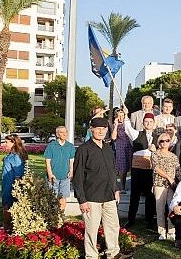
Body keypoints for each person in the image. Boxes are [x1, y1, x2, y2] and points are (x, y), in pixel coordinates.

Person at [72, 117, 124, 259]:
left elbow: (112, 171)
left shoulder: (108, 148)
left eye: (104, 129)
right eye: (98, 128)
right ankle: (91, 256)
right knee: (91, 230)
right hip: (91, 198)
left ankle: (113, 253)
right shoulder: (83, 149)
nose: (101, 131)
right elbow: (77, 177)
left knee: (113, 226)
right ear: (92, 129)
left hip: (109, 196)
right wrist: (82, 200)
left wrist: (116, 188)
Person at [122, 108, 158, 229]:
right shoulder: (137, 134)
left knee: (150, 195)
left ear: (154, 124)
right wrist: (126, 115)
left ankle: (150, 220)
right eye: (146, 122)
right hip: (138, 170)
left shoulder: (158, 137)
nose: (148, 124)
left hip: (151, 170)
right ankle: (130, 219)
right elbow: (127, 128)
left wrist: (155, 150)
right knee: (135, 195)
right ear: (143, 123)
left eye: (150, 122)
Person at [151, 133, 181, 240]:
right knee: (160, 209)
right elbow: (156, 168)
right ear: (159, 143)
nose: (164, 143)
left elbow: (178, 171)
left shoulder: (173, 156)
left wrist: (179, 184)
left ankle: (171, 231)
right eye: (162, 141)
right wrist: (169, 177)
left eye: (167, 140)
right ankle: (162, 232)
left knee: (172, 207)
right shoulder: (155, 154)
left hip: (171, 186)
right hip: (159, 184)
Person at [44, 126, 75, 211]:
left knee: (63, 197)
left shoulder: (70, 146)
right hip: (54, 176)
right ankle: (53, 214)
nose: (64, 134)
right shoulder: (51, 146)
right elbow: (47, 161)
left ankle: (61, 215)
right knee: (53, 197)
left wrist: (71, 171)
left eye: (65, 132)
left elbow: (71, 161)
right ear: (57, 134)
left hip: (65, 176)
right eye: (62, 132)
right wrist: (50, 174)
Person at [1, 134, 27, 232]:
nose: (5, 144)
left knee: (7, 204)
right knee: (7, 204)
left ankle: (7, 227)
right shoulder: (11, 155)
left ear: (13, 143)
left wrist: (16, 189)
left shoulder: (16, 156)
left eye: (7, 142)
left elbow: (18, 174)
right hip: (6, 182)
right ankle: (8, 226)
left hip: (10, 184)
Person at [110, 109, 132, 193]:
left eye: (122, 115)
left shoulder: (129, 123)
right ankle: (122, 187)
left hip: (129, 146)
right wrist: (115, 125)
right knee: (122, 168)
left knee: (130, 166)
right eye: (119, 115)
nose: (120, 117)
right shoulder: (115, 125)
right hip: (120, 147)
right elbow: (113, 137)